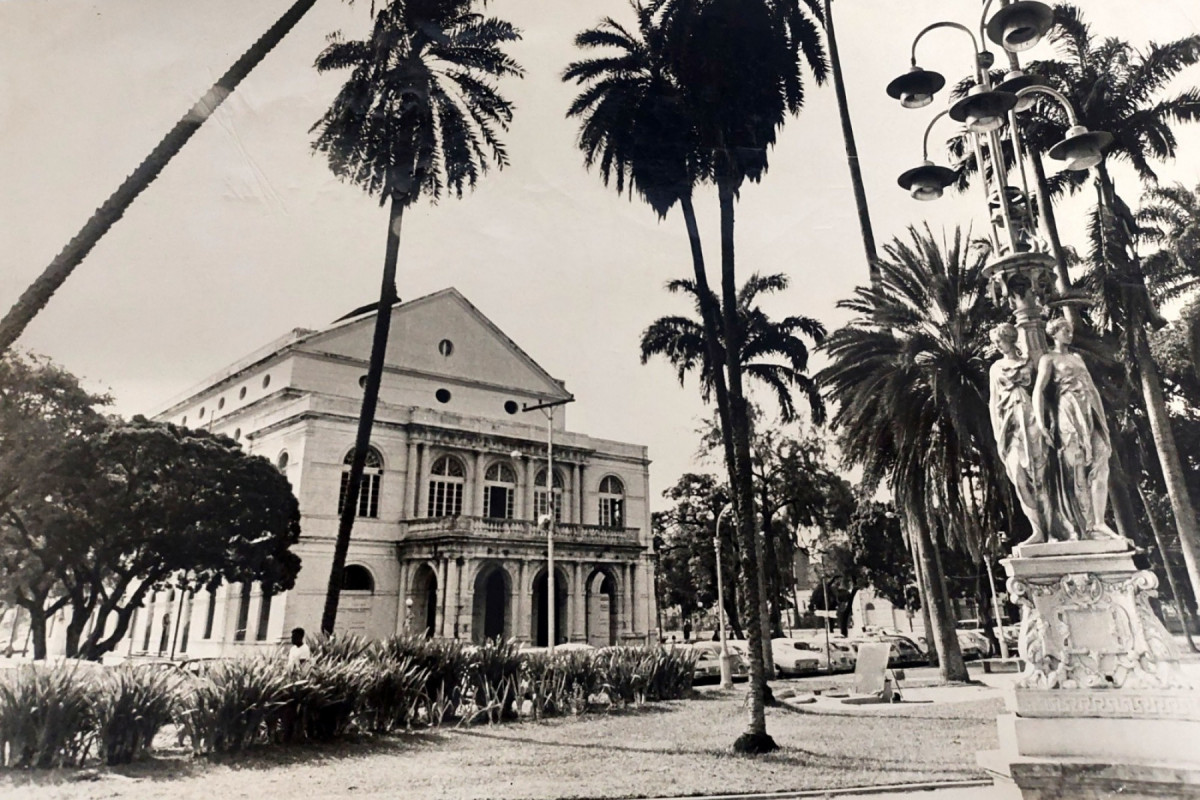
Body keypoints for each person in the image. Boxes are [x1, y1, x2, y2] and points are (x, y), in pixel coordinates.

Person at [1032, 318, 1122, 541]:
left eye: (1070, 329)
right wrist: (1042, 423)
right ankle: (1080, 524)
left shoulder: (1077, 357)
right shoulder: (1048, 358)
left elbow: (1092, 387)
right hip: (1068, 410)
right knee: (1075, 466)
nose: (1069, 333)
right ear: (1054, 333)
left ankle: (1099, 522)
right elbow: (1039, 391)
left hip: (1089, 410)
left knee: (1101, 463)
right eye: (1064, 329)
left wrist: (1101, 420)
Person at [988, 323, 1048, 544]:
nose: (997, 345)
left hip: (1032, 420)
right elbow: (993, 402)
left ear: (1010, 339)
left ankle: (1053, 528)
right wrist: (998, 434)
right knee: (1018, 476)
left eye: (1000, 340)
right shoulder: (995, 368)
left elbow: (1043, 391)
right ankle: (1037, 529)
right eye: (995, 342)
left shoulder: (1029, 362)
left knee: (1041, 477)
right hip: (1010, 426)